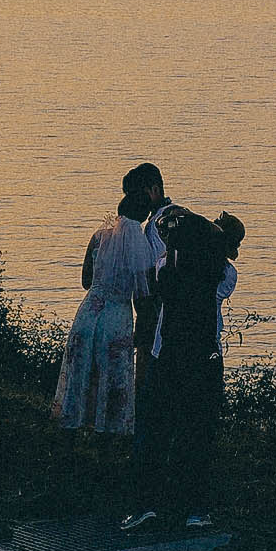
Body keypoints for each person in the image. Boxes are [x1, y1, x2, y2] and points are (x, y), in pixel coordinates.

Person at [122, 206, 244, 534]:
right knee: (197, 436)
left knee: (154, 431)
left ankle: (146, 504)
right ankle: (194, 508)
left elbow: (164, 249)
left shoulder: (169, 265)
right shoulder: (225, 275)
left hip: (166, 356)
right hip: (204, 360)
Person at [53, 165, 165, 441]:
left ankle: (70, 433)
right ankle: (107, 436)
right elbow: (143, 294)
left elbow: (86, 281)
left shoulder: (99, 236)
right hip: (117, 316)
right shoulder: (142, 246)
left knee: (81, 373)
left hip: (89, 312)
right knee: (112, 380)